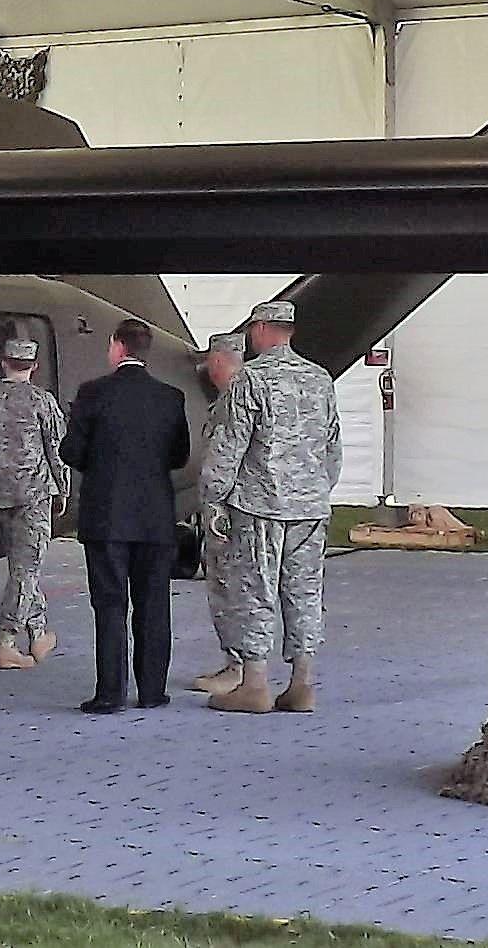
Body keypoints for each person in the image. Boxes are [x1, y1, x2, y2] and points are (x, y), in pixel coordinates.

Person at [202, 300, 340, 714]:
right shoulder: (320, 379)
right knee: (305, 591)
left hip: (260, 504)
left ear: (261, 328)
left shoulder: (251, 378)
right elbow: (332, 445)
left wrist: (213, 499)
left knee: (254, 589)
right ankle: (302, 683)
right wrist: (318, 488)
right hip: (310, 506)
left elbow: (230, 446)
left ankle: (255, 684)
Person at [62, 319, 189, 714]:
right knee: (154, 604)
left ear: (117, 346)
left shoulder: (93, 393)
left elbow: (71, 452)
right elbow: (179, 455)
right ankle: (152, 690)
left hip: (107, 515)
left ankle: (110, 693)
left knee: (111, 604)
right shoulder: (170, 397)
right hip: (155, 516)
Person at [0, 338, 69, 670]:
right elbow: (57, 450)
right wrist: (63, 490)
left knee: (21, 568)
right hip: (33, 495)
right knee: (27, 570)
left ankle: (38, 632)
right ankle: (6, 642)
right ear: (34, 366)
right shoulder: (42, 401)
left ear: (4, 363)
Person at [188, 330, 251, 694]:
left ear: (217, 362)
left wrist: (211, 509)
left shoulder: (231, 403)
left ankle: (237, 667)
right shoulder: (257, 394)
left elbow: (219, 464)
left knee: (230, 589)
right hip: (257, 510)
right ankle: (248, 666)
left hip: (228, 513)